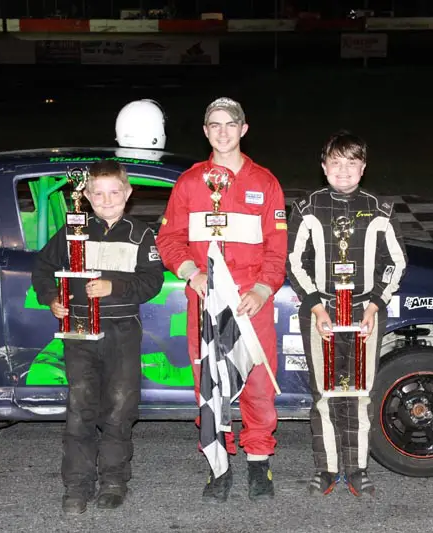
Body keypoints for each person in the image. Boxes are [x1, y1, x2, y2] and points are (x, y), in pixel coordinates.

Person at [155, 97, 288, 502]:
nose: (223, 131)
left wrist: (264, 288)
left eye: (231, 124)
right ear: (205, 131)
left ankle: (259, 463)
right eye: (215, 124)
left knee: (257, 385)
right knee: (211, 385)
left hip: (252, 302)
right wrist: (190, 273)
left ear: (244, 129)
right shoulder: (191, 183)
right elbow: (169, 239)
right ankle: (219, 465)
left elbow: (277, 248)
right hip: (206, 302)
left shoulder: (265, 183)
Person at [31, 159, 164, 514]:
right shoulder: (73, 230)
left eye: (115, 192)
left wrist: (113, 286)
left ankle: (114, 480)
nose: (107, 200)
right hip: (79, 333)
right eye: (99, 193)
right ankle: (77, 485)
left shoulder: (141, 234)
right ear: (86, 196)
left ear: (128, 193)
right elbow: (43, 268)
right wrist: (53, 298)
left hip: (121, 332)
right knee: (80, 408)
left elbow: (153, 281)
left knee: (120, 408)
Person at [286, 131, 407, 497]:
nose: (344, 171)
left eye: (352, 164)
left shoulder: (380, 209)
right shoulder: (307, 208)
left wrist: (374, 304)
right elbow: (293, 262)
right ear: (323, 167)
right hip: (322, 313)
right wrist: (317, 307)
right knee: (324, 393)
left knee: (358, 393)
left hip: (364, 314)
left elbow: (395, 263)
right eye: (336, 163)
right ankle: (326, 468)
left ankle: (357, 469)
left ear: (363, 168)